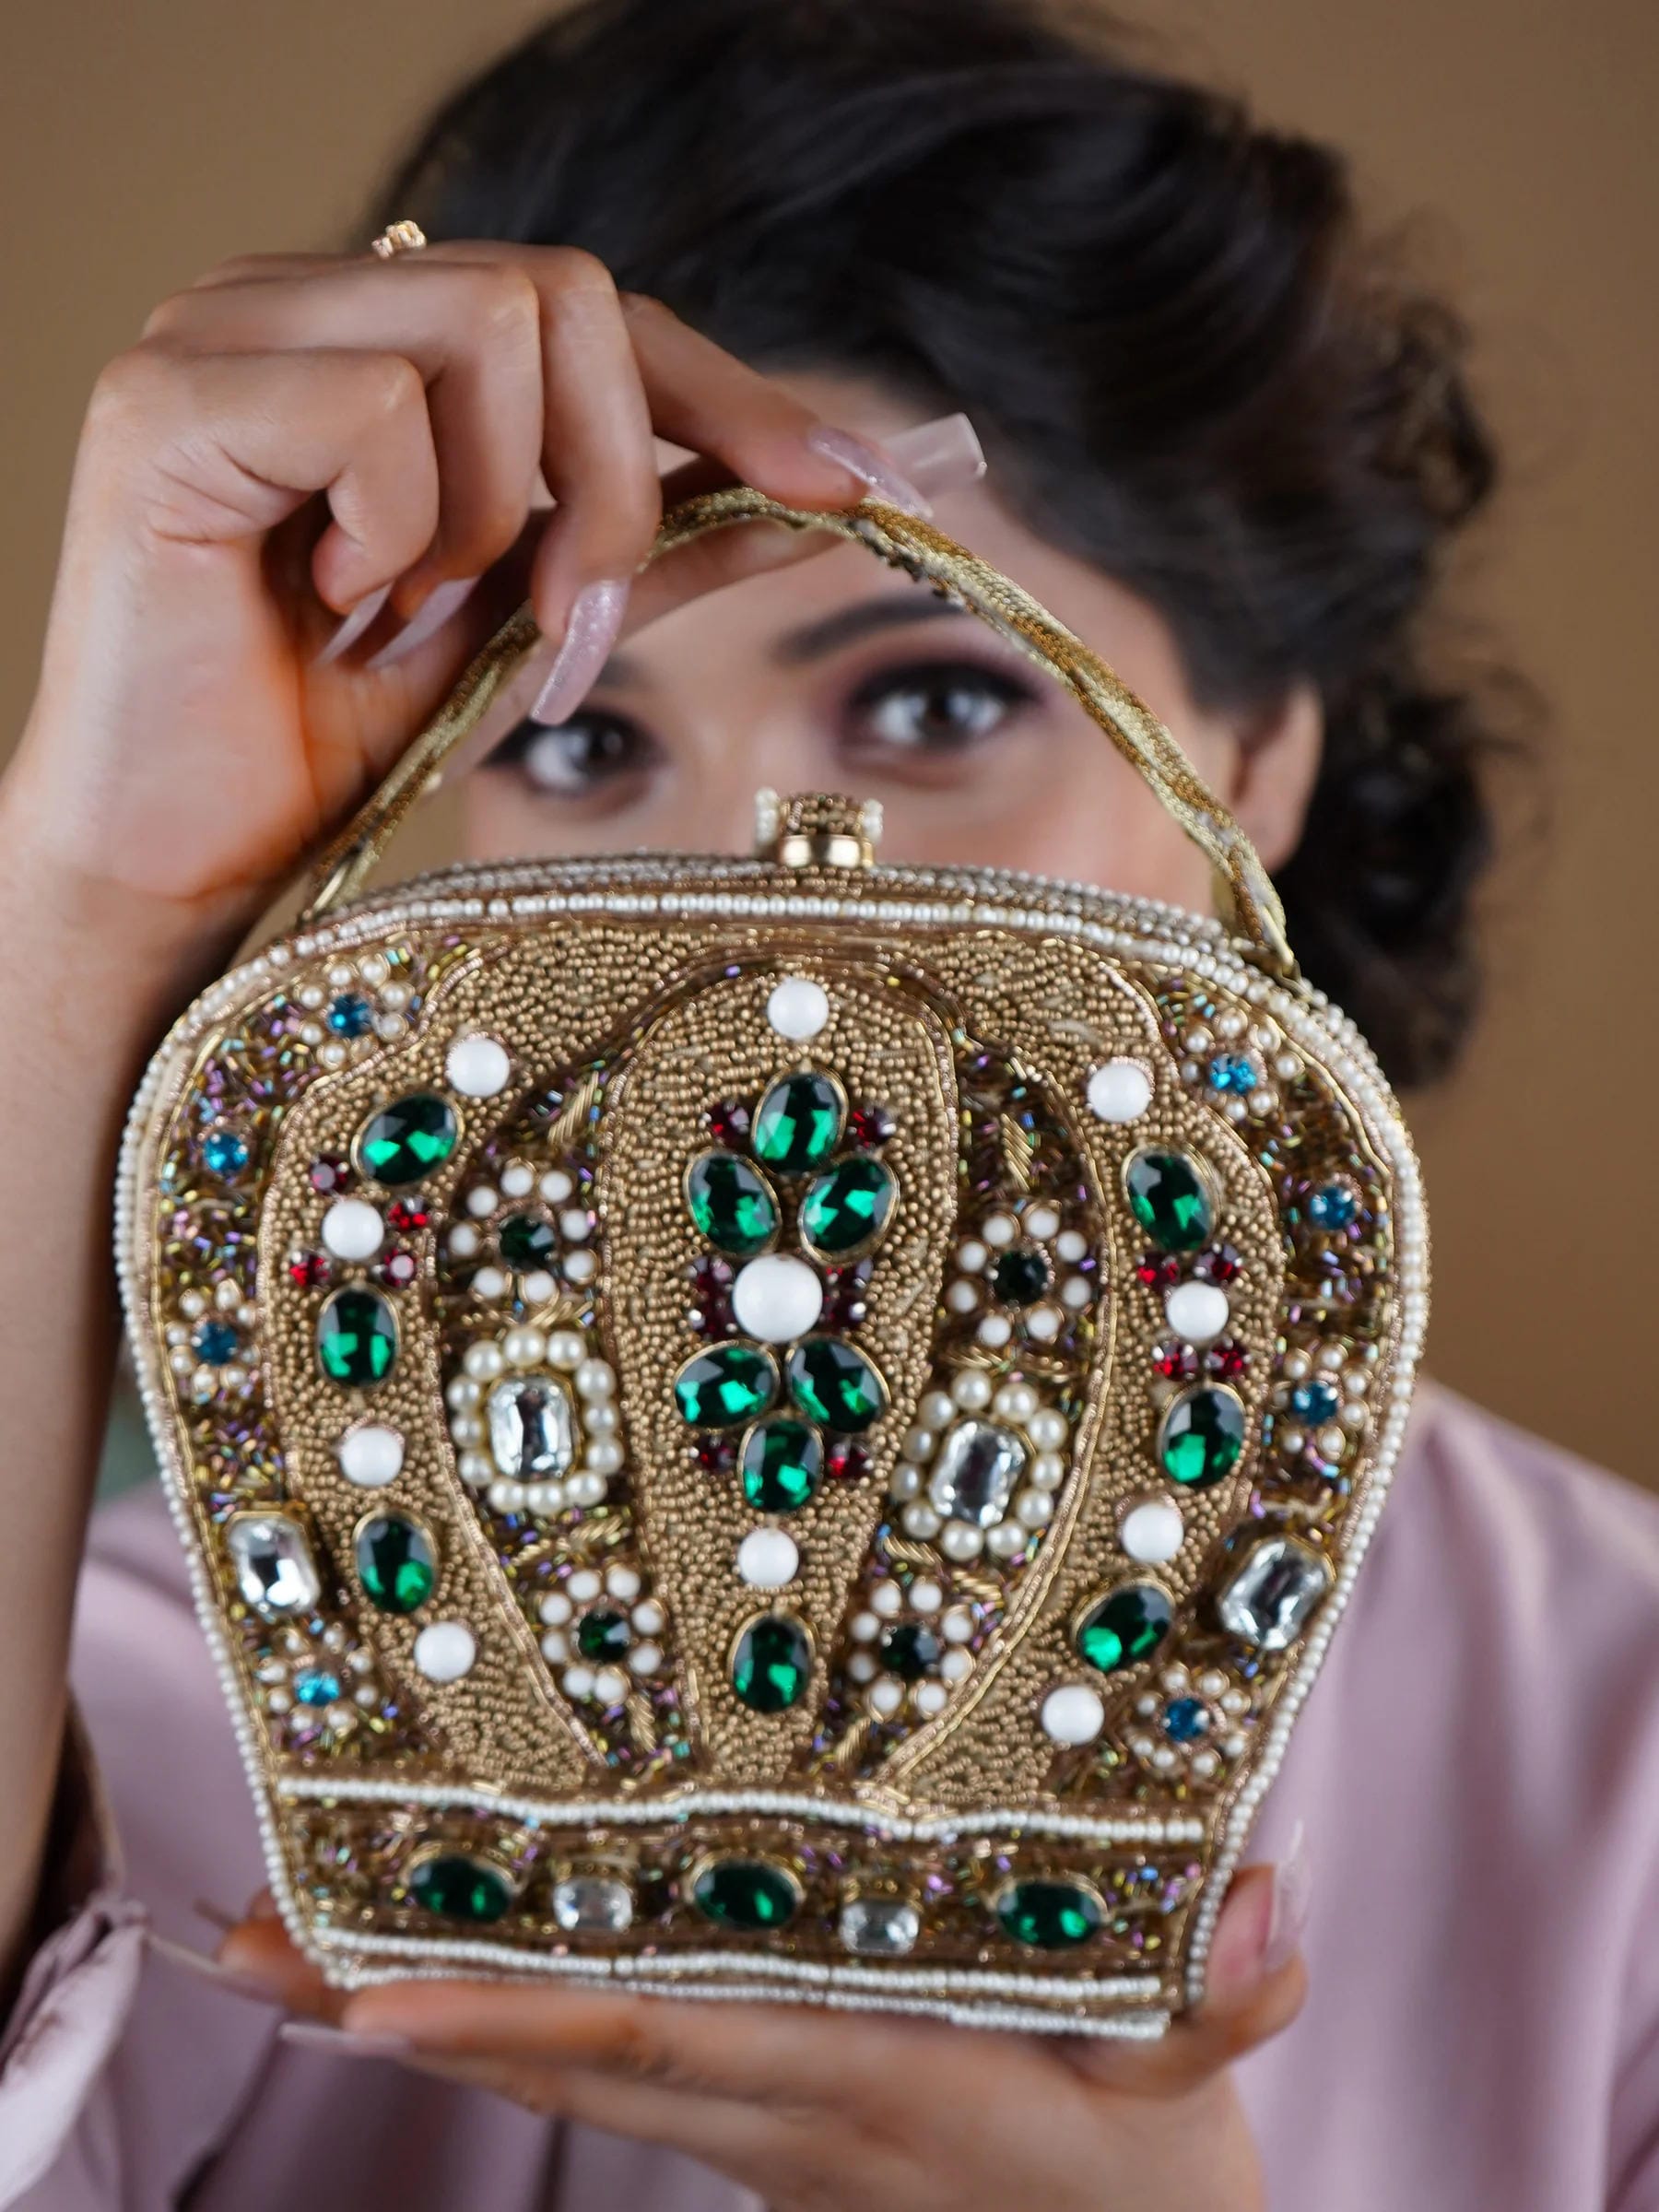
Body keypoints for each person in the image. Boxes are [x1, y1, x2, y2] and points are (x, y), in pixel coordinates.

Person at [4, 2, 1657, 2207]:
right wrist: (89, 903)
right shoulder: (187, 1649)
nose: (772, 887)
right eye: (584, 742)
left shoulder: (1624, 1761)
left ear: (1256, 753)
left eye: (941, 695)